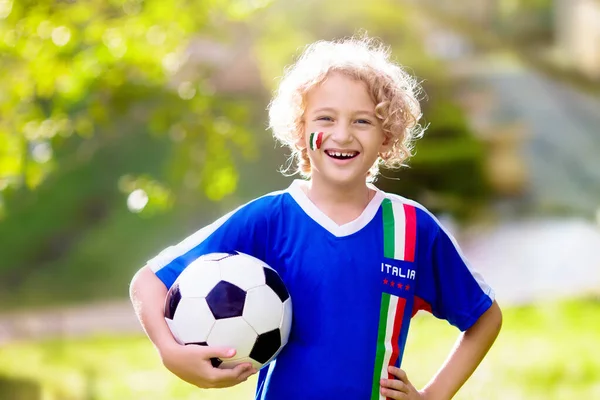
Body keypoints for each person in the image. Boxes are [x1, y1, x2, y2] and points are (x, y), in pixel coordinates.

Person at [129, 35, 502, 400]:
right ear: (300, 131)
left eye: (362, 122)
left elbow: (484, 317)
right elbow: (147, 281)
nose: (342, 135)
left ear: (387, 137)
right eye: (325, 118)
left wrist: (434, 396)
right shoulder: (270, 218)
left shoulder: (410, 228)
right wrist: (170, 352)